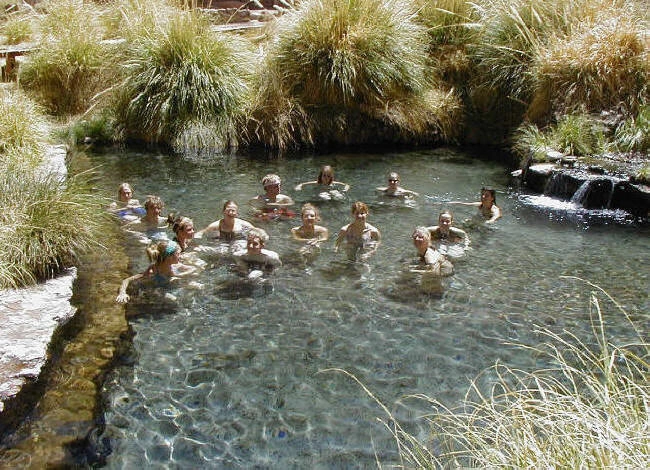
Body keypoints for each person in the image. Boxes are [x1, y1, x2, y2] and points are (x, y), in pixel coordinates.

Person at [115, 240, 196, 304]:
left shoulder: (175, 265)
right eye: (178, 254)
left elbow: (193, 269)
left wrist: (180, 275)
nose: (180, 256)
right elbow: (126, 280)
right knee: (174, 300)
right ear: (169, 257)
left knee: (197, 286)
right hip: (156, 289)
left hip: (168, 284)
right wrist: (122, 293)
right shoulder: (153, 270)